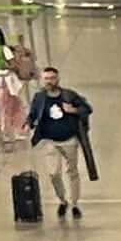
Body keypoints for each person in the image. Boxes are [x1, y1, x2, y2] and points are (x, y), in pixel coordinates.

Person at [26, 69, 94, 215]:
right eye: (46, 79)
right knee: (53, 173)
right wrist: (28, 124)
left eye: (52, 78)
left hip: (69, 139)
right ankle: (62, 200)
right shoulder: (39, 98)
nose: (49, 81)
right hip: (50, 140)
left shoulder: (69, 95)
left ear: (58, 79)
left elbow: (87, 108)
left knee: (72, 171)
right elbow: (32, 114)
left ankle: (74, 203)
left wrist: (73, 110)